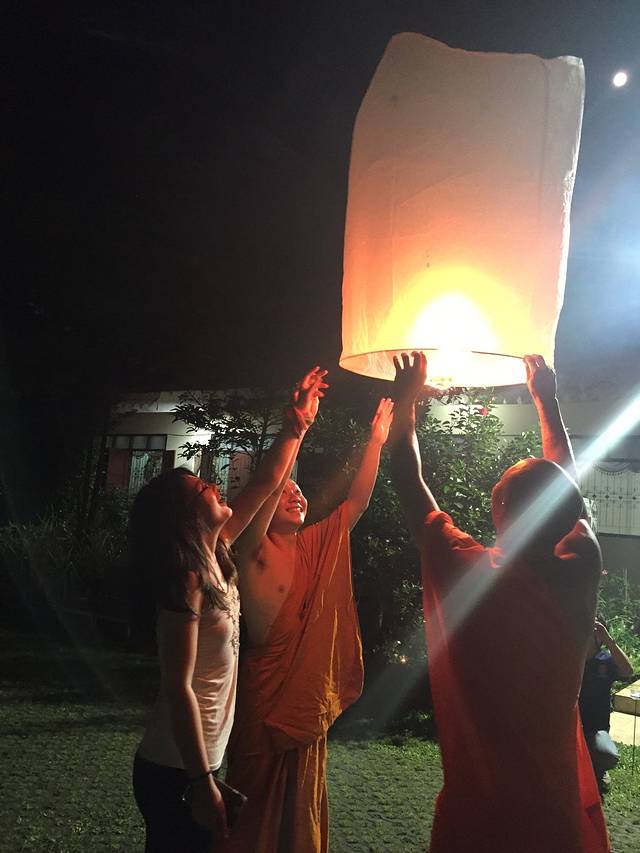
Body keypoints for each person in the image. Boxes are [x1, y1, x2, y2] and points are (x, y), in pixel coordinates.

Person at [389, 351, 611, 853]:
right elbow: (566, 486)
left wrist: (406, 399)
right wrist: (546, 401)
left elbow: (407, 479)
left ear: (499, 506)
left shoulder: (467, 572)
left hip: (480, 817)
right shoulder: (580, 567)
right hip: (555, 814)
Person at [131, 367, 327, 853]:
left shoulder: (216, 556)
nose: (214, 486)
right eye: (202, 488)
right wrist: (201, 782)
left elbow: (266, 481)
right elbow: (178, 686)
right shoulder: (188, 578)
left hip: (200, 764)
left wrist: (298, 426)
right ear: (185, 516)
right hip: (174, 768)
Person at [220, 389, 394, 853]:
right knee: (251, 799)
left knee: (300, 804)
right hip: (264, 695)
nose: (295, 496)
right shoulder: (253, 550)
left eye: (299, 492)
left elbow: (356, 503)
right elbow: (268, 484)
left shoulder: (316, 544)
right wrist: (296, 430)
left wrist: (376, 442)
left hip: (303, 699)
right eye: (286, 493)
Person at [579, 617, 635, 794]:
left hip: (595, 728)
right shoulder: (573, 657)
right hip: (570, 726)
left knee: (607, 755)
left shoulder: (606, 660)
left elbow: (628, 671)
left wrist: (609, 640)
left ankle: (598, 769)